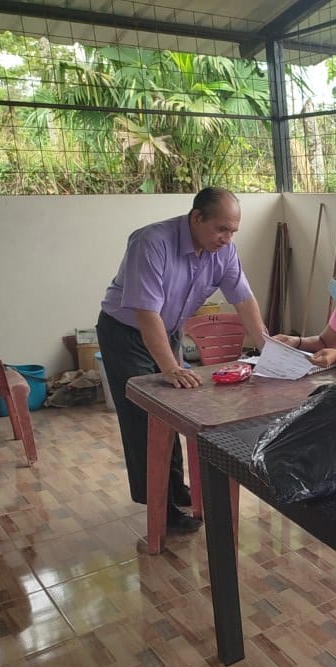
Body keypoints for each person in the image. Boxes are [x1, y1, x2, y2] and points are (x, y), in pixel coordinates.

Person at [97, 187, 267, 533]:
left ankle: (173, 489)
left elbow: (244, 300)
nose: (227, 238)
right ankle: (160, 508)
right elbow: (146, 313)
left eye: (233, 231)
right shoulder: (151, 243)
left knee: (172, 412)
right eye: (221, 229)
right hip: (126, 333)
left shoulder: (224, 251)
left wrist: (268, 346)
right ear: (196, 218)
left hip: (168, 330)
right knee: (144, 416)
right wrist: (171, 367)